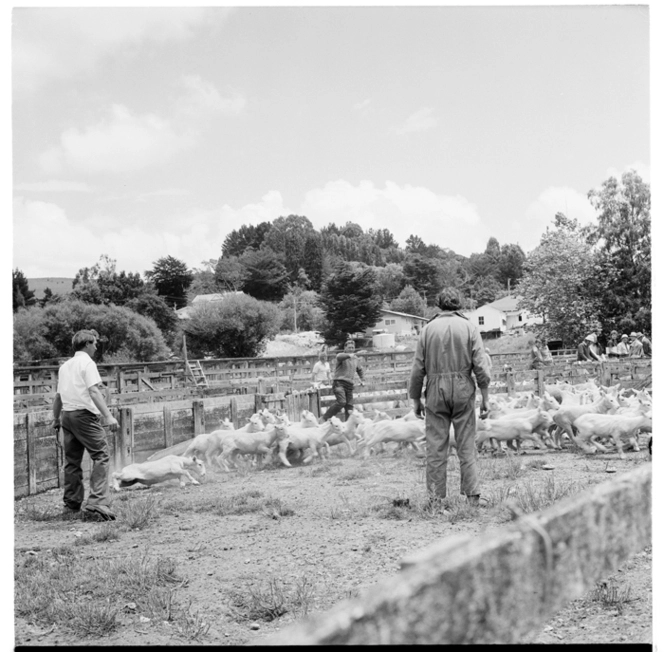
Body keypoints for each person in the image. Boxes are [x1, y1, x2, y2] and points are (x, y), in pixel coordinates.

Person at [408, 287, 491, 507]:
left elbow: (417, 368)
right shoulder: (469, 327)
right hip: (464, 387)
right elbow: (481, 366)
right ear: (458, 304)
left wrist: (416, 399)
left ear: (439, 304)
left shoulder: (427, 329)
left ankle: (435, 499)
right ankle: (472, 496)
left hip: (435, 388)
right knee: (466, 443)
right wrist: (485, 397)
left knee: (436, 445)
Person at [52, 329, 119, 521]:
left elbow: (58, 397)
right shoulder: (87, 363)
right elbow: (94, 391)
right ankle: (97, 502)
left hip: (67, 416)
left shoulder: (65, 366)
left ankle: (71, 504)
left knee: (72, 461)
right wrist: (108, 416)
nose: (97, 346)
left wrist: (56, 419)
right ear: (87, 344)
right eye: (95, 343)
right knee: (101, 454)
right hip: (84, 416)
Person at [320, 339, 365, 422]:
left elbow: (360, 370)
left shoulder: (355, 359)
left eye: (352, 347)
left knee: (349, 406)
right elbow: (338, 356)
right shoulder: (342, 356)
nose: (351, 349)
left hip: (349, 384)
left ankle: (348, 425)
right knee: (341, 402)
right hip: (339, 383)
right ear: (345, 348)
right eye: (349, 347)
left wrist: (362, 379)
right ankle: (324, 418)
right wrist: (348, 355)